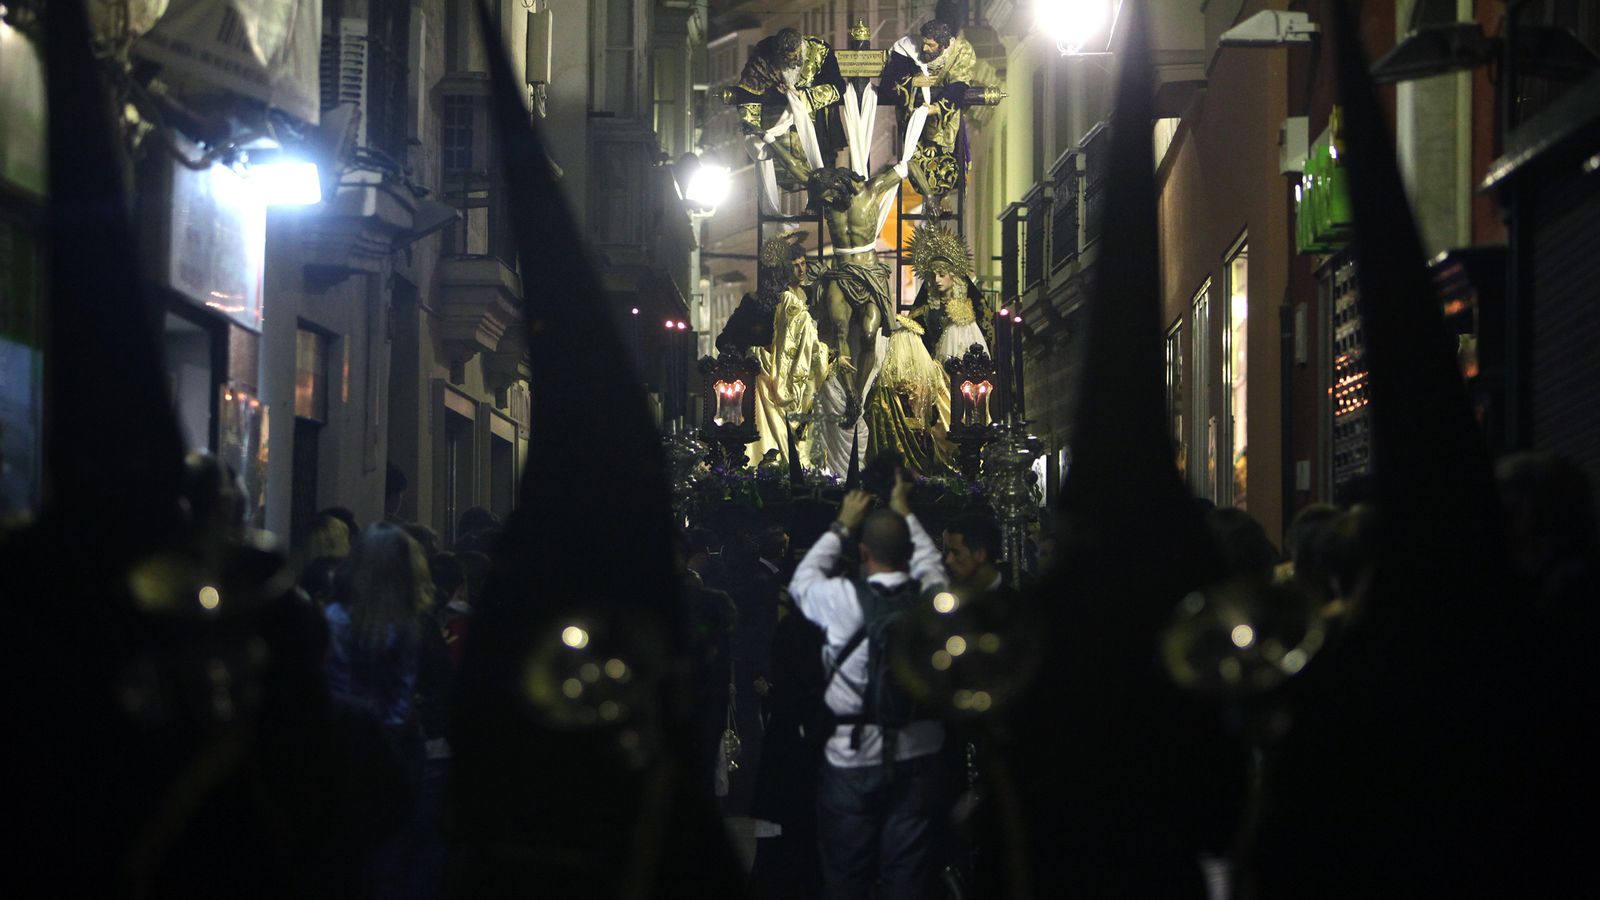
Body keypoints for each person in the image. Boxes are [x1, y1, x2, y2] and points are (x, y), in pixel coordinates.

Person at [789, 470, 951, 899]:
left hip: (852, 753)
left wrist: (841, 524)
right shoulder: (933, 600)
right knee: (909, 877)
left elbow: (802, 582)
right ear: (907, 553)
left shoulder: (842, 599)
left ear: (862, 553)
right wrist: (904, 510)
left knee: (846, 876)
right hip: (919, 749)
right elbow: (932, 564)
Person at [717, 235, 831, 468]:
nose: (801, 270)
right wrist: (751, 355)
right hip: (764, 378)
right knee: (768, 436)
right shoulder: (760, 302)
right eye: (794, 266)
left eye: (803, 263)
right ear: (782, 270)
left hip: (795, 377)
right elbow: (727, 339)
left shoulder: (806, 297)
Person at [722, 27, 847, 188]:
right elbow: (749, 90)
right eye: (787, 59)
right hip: (775, 122)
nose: (792, 62)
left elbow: (838, 87)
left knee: (817, 172)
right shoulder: (763, 54)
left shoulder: (820, 52)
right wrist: (750, 123)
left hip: (815, 122)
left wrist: (802, 97)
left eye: (796, 56)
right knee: (779, 167)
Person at [878, 20, 980, 197]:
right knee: (918, 164)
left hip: (945, 120)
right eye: (924, 42)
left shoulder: (960, 51)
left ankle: (943, 196)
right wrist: (911, 82)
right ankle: (928, 195)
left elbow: (959, 84)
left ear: (943, 44)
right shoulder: (906, 48)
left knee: (947, 165)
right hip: (915, 120)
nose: (924, 48)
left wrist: (938, 108)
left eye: (930, 45)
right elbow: (887, 85)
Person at [906, 225, 990, 361]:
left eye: (942, 274)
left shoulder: (966, 309)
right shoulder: (924, 311)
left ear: (954, 276)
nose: (937, 280)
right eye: (933, 275)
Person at [942, 511, 1006, 597]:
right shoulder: (945, 595)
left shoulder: (1021, 596)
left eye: (956, 553)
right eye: (947, 552)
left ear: (980, 554)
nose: (949, 560)